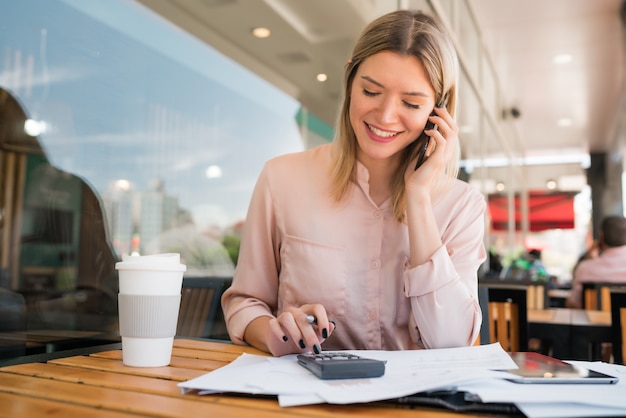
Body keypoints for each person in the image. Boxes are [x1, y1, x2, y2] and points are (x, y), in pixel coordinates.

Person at [221, 10, 487, 356]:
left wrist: (418, 198)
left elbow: (452, 344)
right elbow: (246, 303)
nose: (386, 115)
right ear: (350, 80)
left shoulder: (462, 206)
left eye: (410, 102)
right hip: (308, 403)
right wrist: (277, 333)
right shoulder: (281, 179)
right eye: (371, 91)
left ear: (438, 111)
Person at [566, 215, 626, 309]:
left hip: (593, 322)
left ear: (601, 237)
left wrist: (588, 258)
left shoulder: (585, 268)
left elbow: (574, 303)